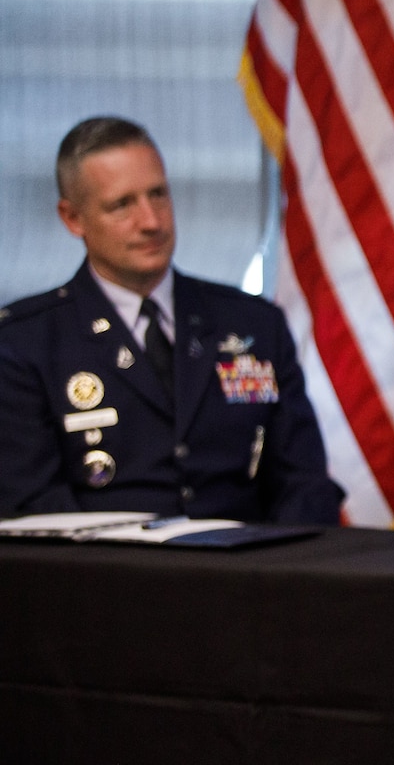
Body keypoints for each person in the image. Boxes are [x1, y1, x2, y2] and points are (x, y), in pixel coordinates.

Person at [0, 117, 343, 523]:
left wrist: (277, 577)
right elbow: (34, 508)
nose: (151, 221)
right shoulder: (25, 343)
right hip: (106, 578)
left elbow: (304, 484)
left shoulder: (253, 324)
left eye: (158, 194)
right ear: (73, 219)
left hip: (249, 574)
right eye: (122, 204)